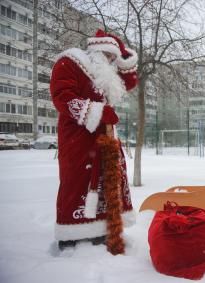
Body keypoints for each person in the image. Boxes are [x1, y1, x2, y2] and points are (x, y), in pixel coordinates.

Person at [50, 29, 139, 250]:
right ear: (98, 51)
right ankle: (71, 232)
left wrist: (125, 60)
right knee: (75, 181)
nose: (110, 61)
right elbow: (62, 95)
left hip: (104, 137)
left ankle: (100, 229)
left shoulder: (104, 74)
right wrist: (98, 112)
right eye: (109, 56)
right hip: (77, 138)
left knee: (105, 181)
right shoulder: (70, 62)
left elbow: (127, 84)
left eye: (113, 58)